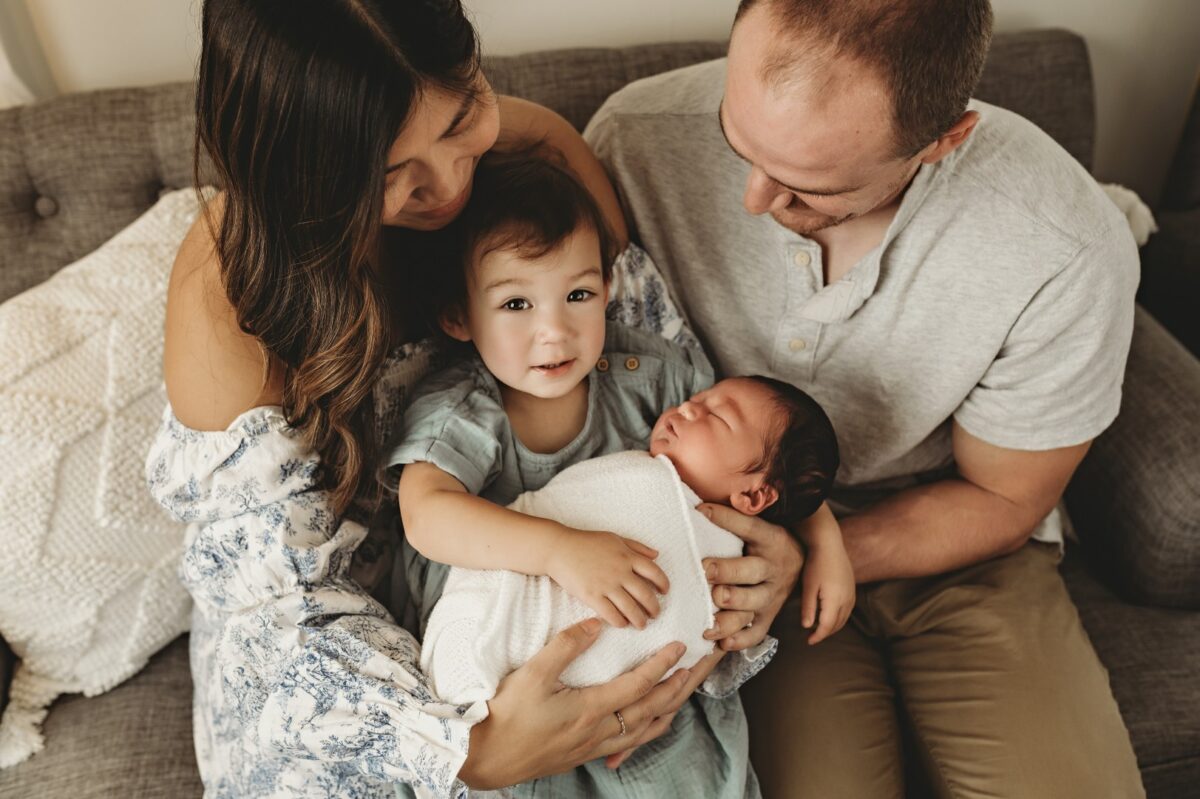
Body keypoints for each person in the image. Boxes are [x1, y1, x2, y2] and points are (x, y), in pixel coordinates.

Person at [145, 2, 791, 796]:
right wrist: (468, 748)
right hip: (347, 673)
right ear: (302, 177)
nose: (449, 184)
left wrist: (765, 540)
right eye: (387, 175)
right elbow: (281, 621)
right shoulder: (233, 296)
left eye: (461, 120)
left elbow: (662, 388)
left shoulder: (534, 155)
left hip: (549, 598)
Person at [585, 0, 1146, 796]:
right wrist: (761, 561)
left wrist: (816, 554)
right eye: (736, 139)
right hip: (735, 540)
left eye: (812, 186)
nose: (752, 198)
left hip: (958, 540)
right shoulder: (632, 140)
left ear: (943, 141)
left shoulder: (1061, 241)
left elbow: (1002, 494)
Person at [389, 150, 848, 796]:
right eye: (516, 304)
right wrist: (561, 550)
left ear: (608, 289)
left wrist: (820, 531)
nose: (554, 332)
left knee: (692, 771)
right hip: (520, 675)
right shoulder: (464, 411)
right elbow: (426, 515)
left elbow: (754, 443)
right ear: (459, 316)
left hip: (648, 659)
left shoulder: (651, 378)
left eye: (578, 295)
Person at [418, 374, 843, 707]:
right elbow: (558, 506)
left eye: (716, 416)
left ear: (753, 495)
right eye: (696, 399)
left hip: (579, 691)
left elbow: (686, 647)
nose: (687, 408)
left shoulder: (731, 569)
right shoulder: (638, 475)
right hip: (495, 612)